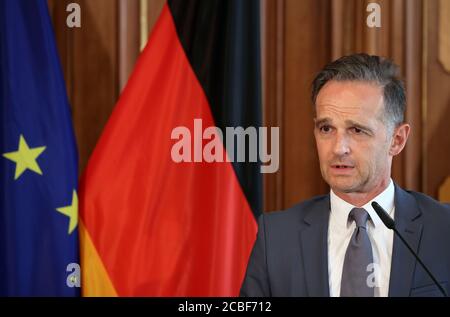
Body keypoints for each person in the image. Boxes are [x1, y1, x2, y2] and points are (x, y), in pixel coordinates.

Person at [240, 53, 450, 297]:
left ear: (397, 140)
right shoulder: (276, 236)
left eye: (357, 130)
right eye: (326, 128)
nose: (338, 148)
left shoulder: (443, 230)